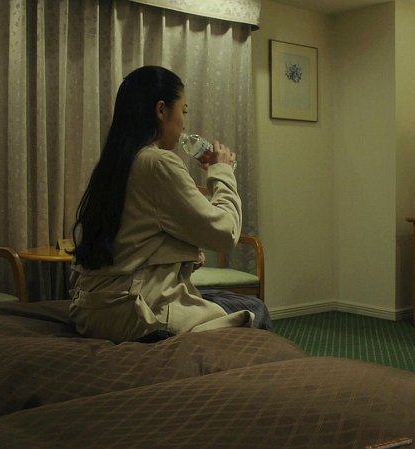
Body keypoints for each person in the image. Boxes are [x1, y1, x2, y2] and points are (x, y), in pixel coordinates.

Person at [68, 65, 270, 343]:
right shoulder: (157, 163)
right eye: (183, 110)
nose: (184, 123)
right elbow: (225, 234)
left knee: (221, 298)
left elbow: (137, 242)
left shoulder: (114, 164)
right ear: (161, 110)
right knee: (255, 309)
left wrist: (186, 254)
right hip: (133, 311)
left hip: (92, 309)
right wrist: (222, 172)